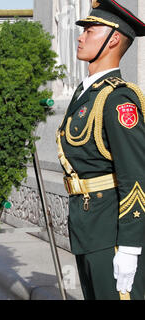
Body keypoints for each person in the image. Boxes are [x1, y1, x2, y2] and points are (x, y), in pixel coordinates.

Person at [57, 0, 144, 300]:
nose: (80, 36)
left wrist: (130, 248)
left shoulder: (118, 100)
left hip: (111, 232)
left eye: (90, 30)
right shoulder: (86, 93)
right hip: (87, 227)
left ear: (114, 39)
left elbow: (136, 176)